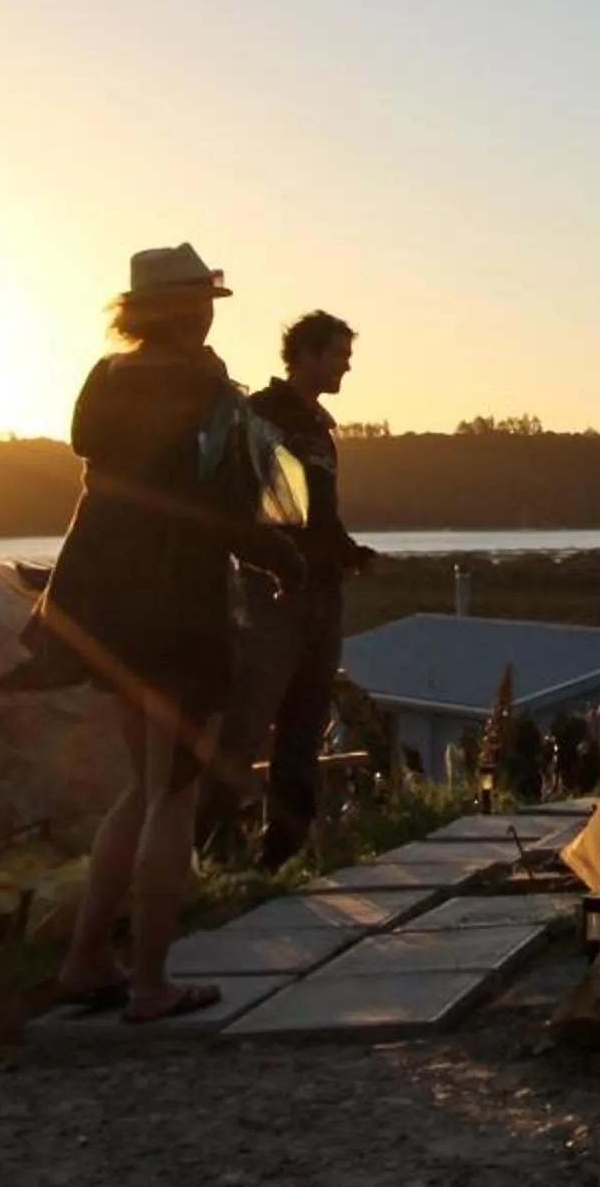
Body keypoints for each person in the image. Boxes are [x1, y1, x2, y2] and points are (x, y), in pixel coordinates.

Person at [19, 244, 306, 1024]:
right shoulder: (208, 391)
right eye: (208, 300)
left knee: (141, 789)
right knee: (174, 793)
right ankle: (150, 984)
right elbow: (223, 505)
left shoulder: (104, 380)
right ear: (191, 310)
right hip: (178, 600)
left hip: (101, 598)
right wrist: (280, 559)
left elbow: (103, 465)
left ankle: (84, 963)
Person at [237, 311, 376, 867]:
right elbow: (255, 506)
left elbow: (323, 516)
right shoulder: (262, 415)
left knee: (304, 723)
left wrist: (351, 554)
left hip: (323, 593)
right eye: (340, 354)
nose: (347, 364)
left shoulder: (321, 428)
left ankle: (284, 856)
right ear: (308, 355)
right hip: (274, 593)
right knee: (248, 721)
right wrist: (278, 565)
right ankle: (211, 851)